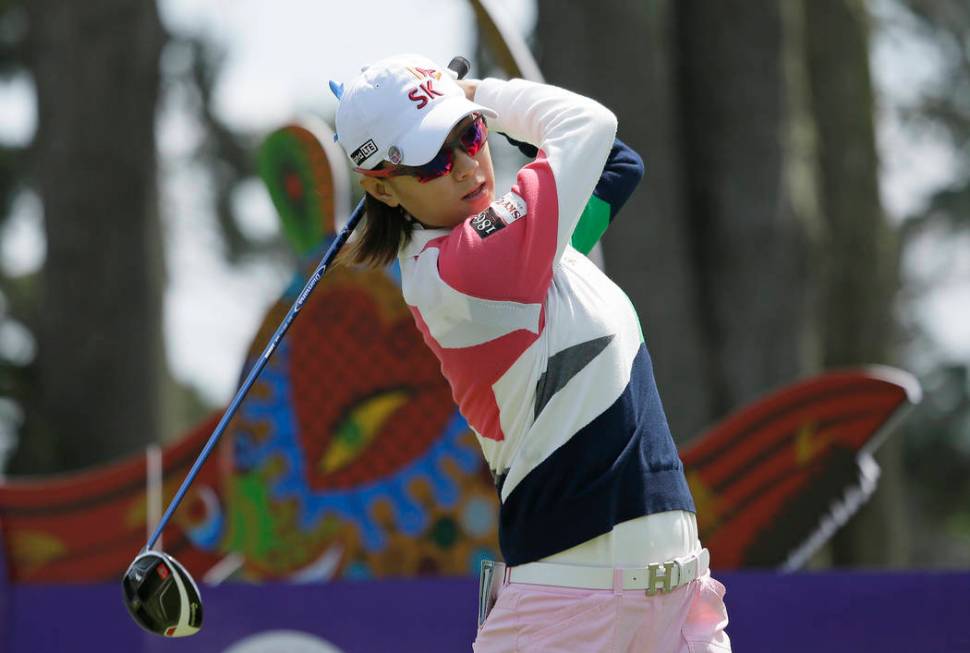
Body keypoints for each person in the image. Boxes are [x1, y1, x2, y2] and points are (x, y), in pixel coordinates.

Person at [331, 53, 731, 653]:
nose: (468, 166)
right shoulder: (465, 272)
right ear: (381, 186)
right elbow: (590, 126)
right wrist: (477, 91)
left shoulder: (533, 246)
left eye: (471, 134)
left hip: (677, 606)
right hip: (568, 615)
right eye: (437, 158)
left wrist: (447, 102)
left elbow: (619, 164)